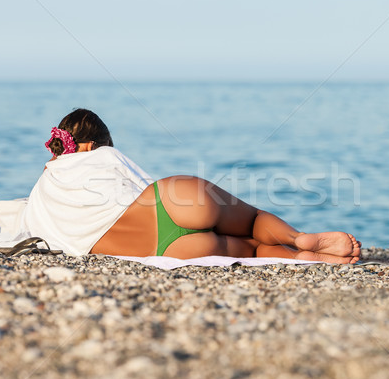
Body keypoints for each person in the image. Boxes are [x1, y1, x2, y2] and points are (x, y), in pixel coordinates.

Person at [18, 108, 361, 264]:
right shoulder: (100, 156)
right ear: (93, 144)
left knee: (254, 250)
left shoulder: (39, 196)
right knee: (254, 221)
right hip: (173, 202)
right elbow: (142, 186)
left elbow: (33, 236)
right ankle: (297, 237)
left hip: (165, 249)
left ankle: (301, 256)